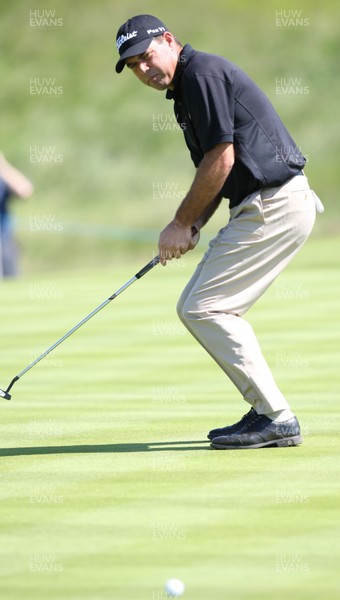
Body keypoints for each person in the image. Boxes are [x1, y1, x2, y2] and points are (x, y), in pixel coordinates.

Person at [114, 15, 323, 450]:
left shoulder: (201, 74)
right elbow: (215, 171)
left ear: (169, 41)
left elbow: (221, 159)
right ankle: (268, 411)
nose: (143, 70)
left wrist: (178, 223)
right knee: (204, 306)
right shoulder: (185, 90)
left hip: (274, 204)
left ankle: (276, 416)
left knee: (204, 307)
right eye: (133, 66)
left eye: (147, 56)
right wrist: (193, 223)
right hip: (267, 204)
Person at [0, 152, 33, 277]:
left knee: (11, 283)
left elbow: (24, 190)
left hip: (3, 241)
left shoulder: (2, 177)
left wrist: (3, 166)